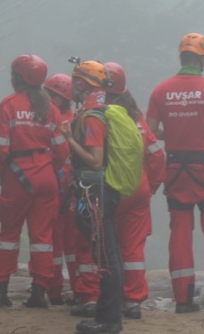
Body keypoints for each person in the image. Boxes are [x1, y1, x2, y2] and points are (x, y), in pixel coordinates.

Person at [146, 33, 204, 314]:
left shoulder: (161, 91)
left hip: (175, 171)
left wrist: (170, 133)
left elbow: (148, 132)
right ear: (202, 58)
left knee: (180, 236)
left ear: (181, 57)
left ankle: (183, 299)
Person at [0, 55, 69, 309]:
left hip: (17, 177)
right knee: (43, 238)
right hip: (46, 179)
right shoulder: (51, 108)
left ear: (20, 78)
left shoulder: (9, 105)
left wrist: (2, 172)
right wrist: (49, 169)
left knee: (8, 235)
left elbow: (1, 148)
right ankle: (38, 293)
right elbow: (61, 151)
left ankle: (2, 292)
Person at [62, 60, 123, 334]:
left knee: (106, 256)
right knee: (108, 254)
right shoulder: (95, 113)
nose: (72, 86)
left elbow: (96, 161)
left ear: (82, 84)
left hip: (97, 194)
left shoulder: (92, 117)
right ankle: (108, 316)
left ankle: (109, 320)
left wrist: (70, 139)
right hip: (100, 193)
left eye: (75, 81)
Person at [104, 62, 166, 320]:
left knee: (107, 244)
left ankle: (105, 298)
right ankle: (133, 301)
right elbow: (157, 156)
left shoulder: (101, 114)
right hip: (138, 189)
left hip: (112, 188)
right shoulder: (136, 117)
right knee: (133, 248)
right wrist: (148, 188)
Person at [42, 73, 78, 305]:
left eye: (55, 96)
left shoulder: (72, 120)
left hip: (67, 187)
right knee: (55, 241)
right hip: (56, 185)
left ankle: (77, 290)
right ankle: (56, 290)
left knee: (71, 242)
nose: (51, 99)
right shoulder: (53, 117)